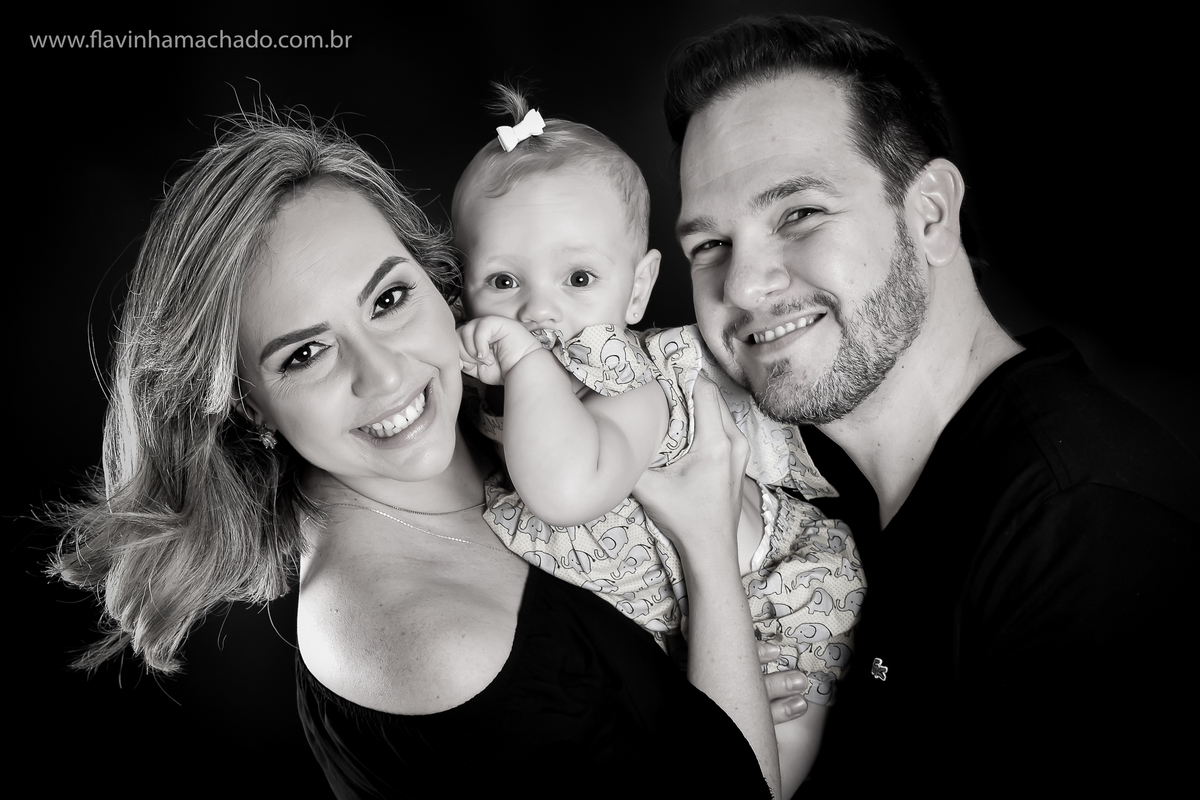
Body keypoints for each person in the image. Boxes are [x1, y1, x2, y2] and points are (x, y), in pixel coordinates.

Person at [47, 117, 789, 798]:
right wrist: (708, 550)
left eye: (388, 300)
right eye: (305, 354)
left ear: (437, 280)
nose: (385, 375)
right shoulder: (432, 644)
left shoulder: (518, 403)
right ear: (247, 404)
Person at [658, 14, 1200, 793]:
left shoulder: (1084, 528)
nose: (742, 285)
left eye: (799, 213)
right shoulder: (796, 503)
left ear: (931, 214)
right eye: (709, 246)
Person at [453, 87, 863, 792]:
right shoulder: (488, 405)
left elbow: (565, 489)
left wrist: (522, 362)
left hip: (770, 591)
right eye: (503, 280)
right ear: (464, 292)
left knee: (762, 772)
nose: (540, 310)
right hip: (663, 647)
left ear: (638, 288)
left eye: (579, 277)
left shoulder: (633, 384)